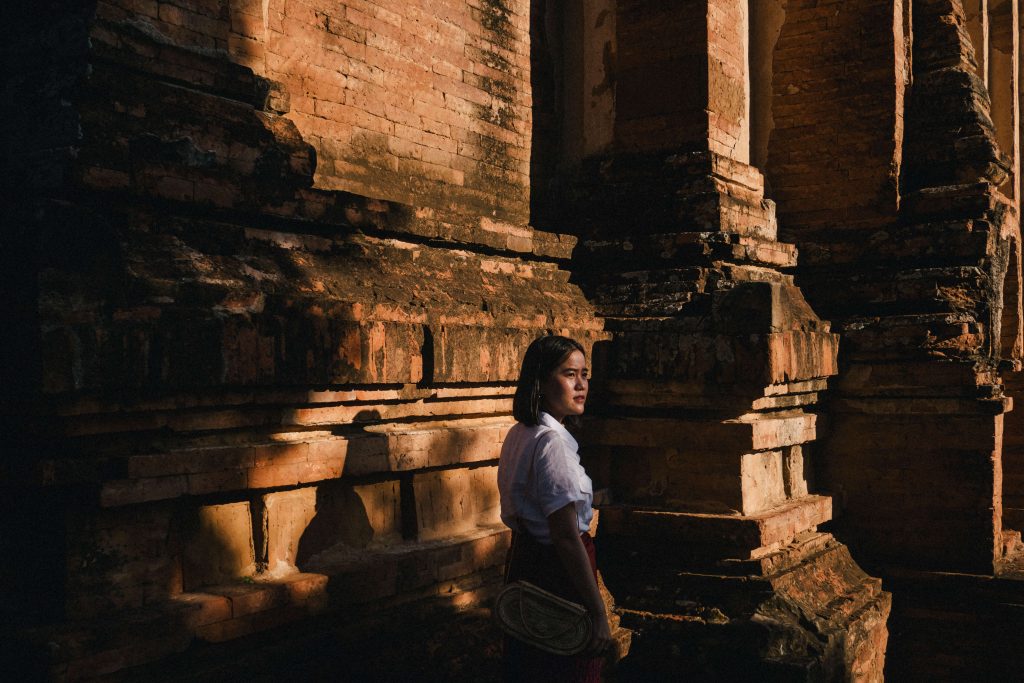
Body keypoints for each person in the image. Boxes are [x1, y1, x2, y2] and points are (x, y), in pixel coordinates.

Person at [497, 334, 614, 682]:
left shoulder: (522, 432)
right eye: (568, 374)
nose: (581, 385)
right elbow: (565, 536)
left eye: (584, 374)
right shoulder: (551, 444)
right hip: (557, 573)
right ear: (542, 382)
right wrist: (598, 614)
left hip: (526, 563)